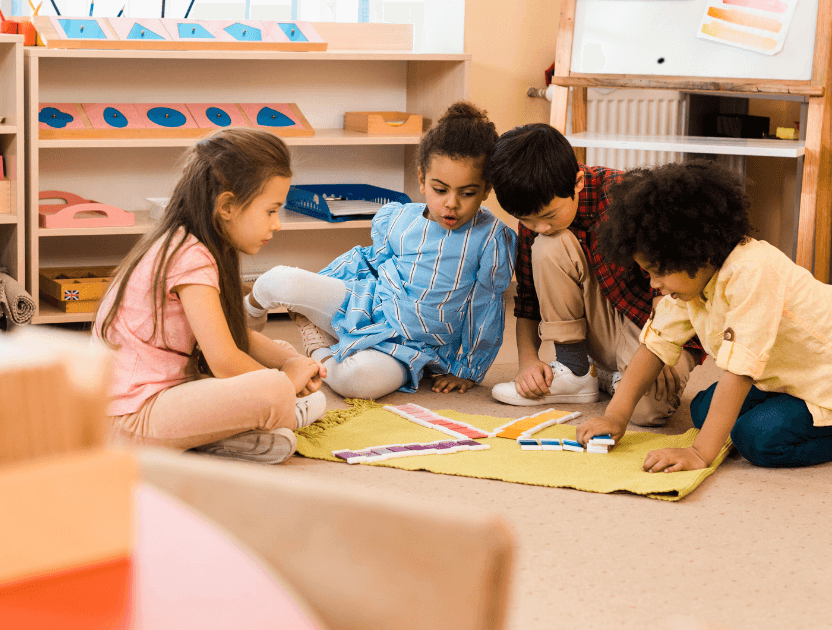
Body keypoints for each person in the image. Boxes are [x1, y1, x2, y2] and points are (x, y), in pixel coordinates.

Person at [245, 102, 516, 399]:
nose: (452, 203)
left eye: (467, 193)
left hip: (413, 347)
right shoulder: (399, 219)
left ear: (486, 189)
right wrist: (318, 287)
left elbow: (486, 308)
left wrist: (468, 370)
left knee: (357, 380)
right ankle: (242, 324)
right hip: (367, 305)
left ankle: (316, 350)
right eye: (441, 190)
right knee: (278, 280)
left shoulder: (490, 237)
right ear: (422, 179)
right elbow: (364, 262)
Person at [576, 161, 832, 471]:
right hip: (787, 378)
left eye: (658, 272)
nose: (654, 284)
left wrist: (698, 453)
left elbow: (739, 373)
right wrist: (615, 416)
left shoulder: (753, 272)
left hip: (823, 383)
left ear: (696, 253)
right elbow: (654, 346)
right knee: (702, 409)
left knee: (758, 439)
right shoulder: (692, 282)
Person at [94, 128, 327, 465]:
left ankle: (223, 437)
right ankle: (277, 414)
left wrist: (289, 363)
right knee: (274, 389)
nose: (277, 224)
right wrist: (286, 381)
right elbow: (224, 360)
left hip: (161, 399)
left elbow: (230, 336)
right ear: (228, 206)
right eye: (271, 211)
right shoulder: (190, 256)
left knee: (284, 357)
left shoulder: (194, 243)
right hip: (131, 420)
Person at [486, 123, 702, 427]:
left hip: (655, 323)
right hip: (600, 324)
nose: (539, 227)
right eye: (527, 220)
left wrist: (661, 346)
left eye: (548, 216)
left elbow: (666, 289)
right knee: (548, 245)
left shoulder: (625, 197)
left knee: (647, 411)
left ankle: (607, 377)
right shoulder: (536, 223)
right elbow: (527, 300)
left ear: (577, 182)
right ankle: (575, 370)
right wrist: (528, 362)